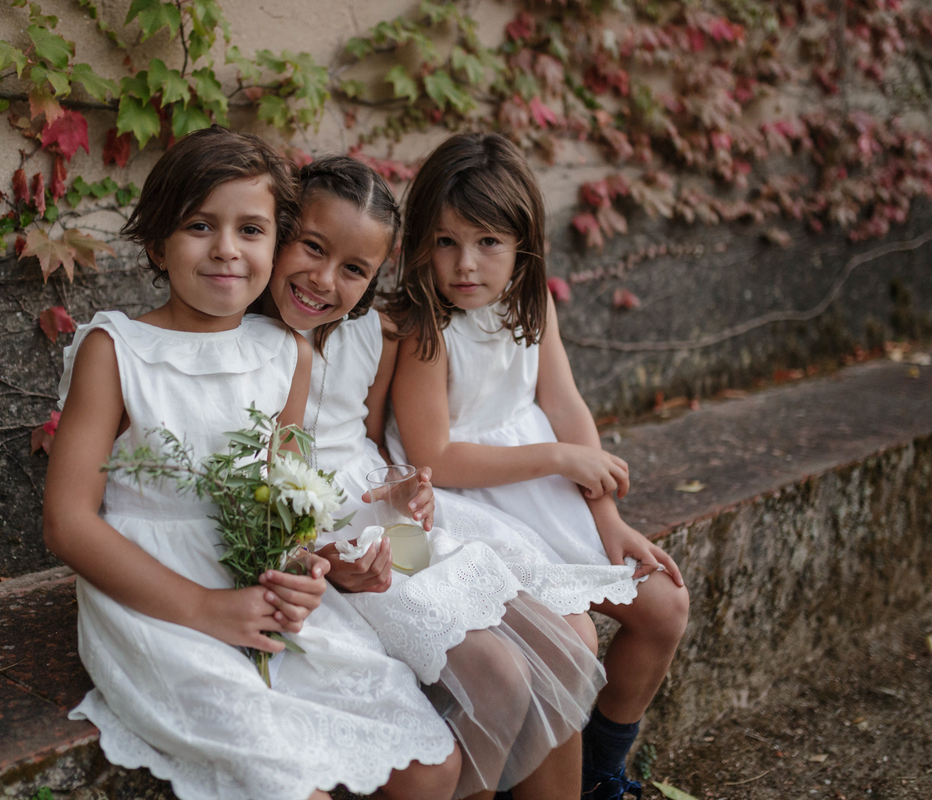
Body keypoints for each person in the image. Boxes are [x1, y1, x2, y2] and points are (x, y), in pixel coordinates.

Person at [42, 127, 461, 800]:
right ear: (158, 243)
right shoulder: (115, 349)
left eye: (251, 230)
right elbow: (67, 523)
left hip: (257, 588)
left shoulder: (288, 353)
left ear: (275, 242)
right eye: (200, 225)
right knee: (290, 788)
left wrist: (319, 566)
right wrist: (205, 608)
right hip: (157, 602)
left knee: (432, 765)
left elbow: (284, 508)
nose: (227, 249)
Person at [258, 155, 643, 800]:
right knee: (503, 670)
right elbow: (282, 475)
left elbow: (372, 447)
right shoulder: (267, 348)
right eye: (314, 248)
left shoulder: (374, 334)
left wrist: (405, 489)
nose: (326, 280)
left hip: (377, 512)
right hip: (317, 526)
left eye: (354, 268)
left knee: (569, 637)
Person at [385, 133, 690, 800]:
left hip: (538, 490)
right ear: (420, 242)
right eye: (445, 242)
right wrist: (555, 457)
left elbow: (563, 404)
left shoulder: (531, 301)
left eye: (488, 242)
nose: (466, 264)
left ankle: (602, 771)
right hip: (462, 501)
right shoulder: (424, 328)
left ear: (524, 245)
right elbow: (435, 456)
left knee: (666, 605)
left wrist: (607, 518)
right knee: (567, 639)